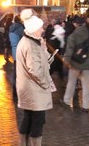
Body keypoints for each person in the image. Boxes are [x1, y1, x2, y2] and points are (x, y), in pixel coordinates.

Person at [16, 15, 53, 146]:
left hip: (30, 89)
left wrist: (44, 49)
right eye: (40, 27)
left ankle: (23, 143)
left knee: (29, 118)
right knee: (37, 120)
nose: (43, 29)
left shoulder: (32, 42)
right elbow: (35, 70)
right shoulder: (31, 45)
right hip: (35, 90)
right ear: (34, 29)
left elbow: (43, 62)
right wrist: (46, 84)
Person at [61, 16, 89, 112]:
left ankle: (67, 101)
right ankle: (86, 106)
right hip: (87, 65)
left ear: (75, 24)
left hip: (75, 64)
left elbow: (69, 51)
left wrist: (66, 62)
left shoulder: (72, 36)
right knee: (86, 85)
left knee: (71, 82)